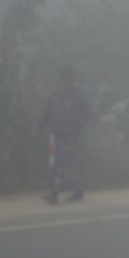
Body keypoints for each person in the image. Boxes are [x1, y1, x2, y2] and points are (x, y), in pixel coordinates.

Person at [33, 66, 90, 204]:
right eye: (65, 78)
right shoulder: (54, 95)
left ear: (74, 79)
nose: (67, 81)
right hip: (57, 135)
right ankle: (77, 190)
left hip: (71, 136)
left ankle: (54, 194)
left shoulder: (79, 96)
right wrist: (38, 127)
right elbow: (46, 113)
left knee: (63, 165)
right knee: (58, 164)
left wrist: (76, 126)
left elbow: (87, 115)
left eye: (70, 78)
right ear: (61, 79)